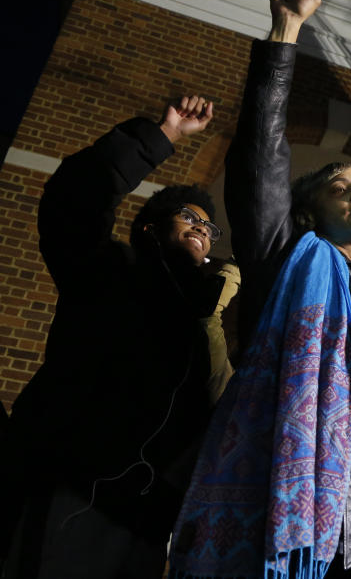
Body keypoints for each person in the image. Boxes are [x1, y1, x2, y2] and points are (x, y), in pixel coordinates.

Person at [168, 0, 351, 579]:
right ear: (311, 213)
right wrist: (285, 32)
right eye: (341, 189)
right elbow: (262, 156)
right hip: (287, 514)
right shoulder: (291, 259)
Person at [2, 96, 236, 579]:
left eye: (209, 227)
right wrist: (162, 136)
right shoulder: (111, 270)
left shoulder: (204, 324)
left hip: (138, 524)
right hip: (57, 485)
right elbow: (73, 201)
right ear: (150, 228)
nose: (202, 228)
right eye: (188, 217)